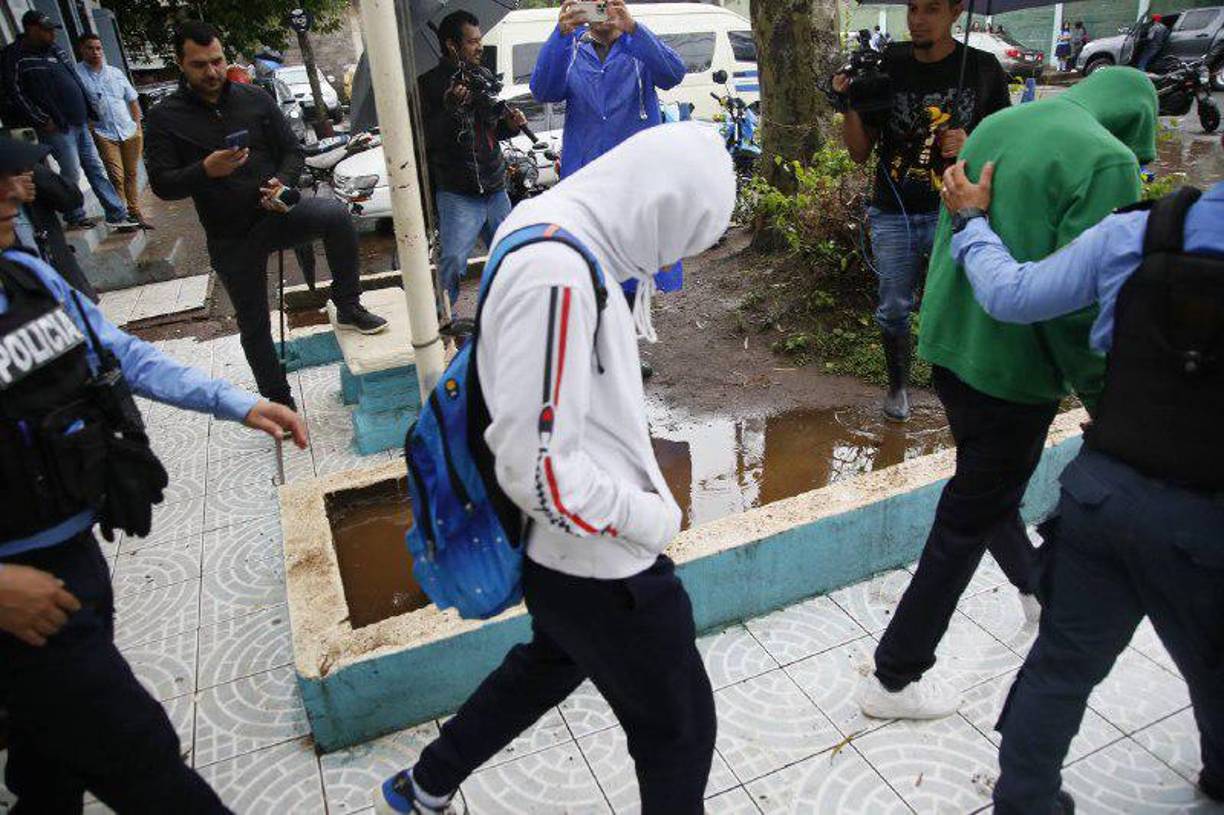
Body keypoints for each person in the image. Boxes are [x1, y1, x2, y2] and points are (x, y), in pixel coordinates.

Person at [372, 123, 733, 815]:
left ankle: (426, 783)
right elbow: (536, 469)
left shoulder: (550, 218)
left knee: (553, 659)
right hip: (601, 566)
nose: (666, 261)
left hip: (563, 561)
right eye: (680, 238)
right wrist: (649, 517)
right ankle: (427, 783)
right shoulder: (558, 275)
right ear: (658, 204)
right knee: (680, 732)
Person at [0, 134, 308, 814]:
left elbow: (122, 356)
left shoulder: (26, 276)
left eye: (12, 173)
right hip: (17, 596)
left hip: (71, 551)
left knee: (51, 755)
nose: (16, 188)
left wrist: (239, 401)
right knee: (139, 755)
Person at [855, 67, 1158, 721]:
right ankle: (893, 675)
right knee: (968, 513)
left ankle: (1032, 587)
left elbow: (955, 222)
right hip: (1012, 372)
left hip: (952, 348)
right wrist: (1107, 393)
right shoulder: (1108, 160)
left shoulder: (998, 123)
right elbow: (1082, 307)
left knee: (987, 486)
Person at [939, 164, 1223, 814]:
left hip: (1103, 497)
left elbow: (1010, 294)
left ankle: (1025, 798)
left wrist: (972, 222)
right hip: (1208, 526)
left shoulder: (1139, 231)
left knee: (1060, 668)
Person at [144, 21, 387, 410]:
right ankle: (277, 399)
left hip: (277, 214)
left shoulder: (255, 98)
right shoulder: (164, 118)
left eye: (218, 61)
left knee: (336, 216)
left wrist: (281, 182)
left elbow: (292, 151)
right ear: (180, 63)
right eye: (199, 65)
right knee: (254, 323)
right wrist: (205, 169)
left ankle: (347, 302)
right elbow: (162, 183)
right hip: (231, 236)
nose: (211, 72)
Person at [833, 0, 1011, 422]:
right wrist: (849, 104)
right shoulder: (887, 65)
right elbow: (860, 153)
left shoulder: (984, 69)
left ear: (956, 12)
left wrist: (973, 142)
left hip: (956, 210)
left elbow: (1007, 148)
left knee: (964, 304)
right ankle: (898, 386)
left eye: (931, 9)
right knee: (893, 308)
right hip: (892, 210)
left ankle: (966, 389)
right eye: (913, 8)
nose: (918, 19)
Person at [531, 0, 687, 331]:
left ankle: (626, 349)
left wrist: (632, 28)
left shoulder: (638, 47)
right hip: (587, 178)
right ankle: (597, 347)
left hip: (635, 180)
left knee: (635, 266)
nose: (599, 13)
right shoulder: (572, 48)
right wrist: (560, 34)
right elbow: (543, 90)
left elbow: (673, 74)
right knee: (590, 265)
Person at [419, 10, 526, 316]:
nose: (480, 47)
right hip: (457, 191)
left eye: (480, 40)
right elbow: (428, 138)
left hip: (494, 187)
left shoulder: (484, 78)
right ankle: (440, 319)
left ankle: (517, 312)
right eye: (472, 42)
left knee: (511, 254)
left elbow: (491, 131)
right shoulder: (429, 85)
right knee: (452, 260)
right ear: (452, 46)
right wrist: (450, 107)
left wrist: (511, 124)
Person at [0, 11, 137, 232]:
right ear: (32, 29)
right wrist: (41, 119)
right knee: (71, 171)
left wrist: (89, 112)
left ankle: (117, 213)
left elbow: (74, 81)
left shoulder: (56, 51)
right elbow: (15, 93)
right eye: (46, 30)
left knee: (96, 169)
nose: (52, 34)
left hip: (80, 122)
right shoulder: (15, 55)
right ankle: (75, 215)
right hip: (56, 127)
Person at [75, 33, 151, 230]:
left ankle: (135, 212)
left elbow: (132, 98)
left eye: (99, 48)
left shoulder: (114, 73)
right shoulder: (77, 75)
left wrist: (136, 125)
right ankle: (122, 215)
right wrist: (91, 128)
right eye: (90, 48)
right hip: (104, 133)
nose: (96, 52)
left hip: (128, 130)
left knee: (131, 174)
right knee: (115, 175)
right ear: (82, 50)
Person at [11, 153, 99, 300]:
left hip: (66, 288)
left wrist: (35, 171)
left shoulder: (24, 170)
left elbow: (72, 199)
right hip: (25, 302)